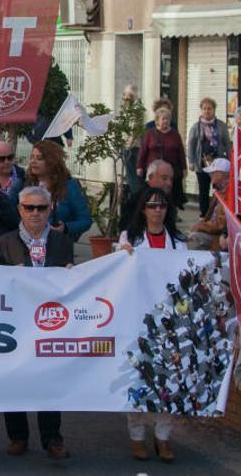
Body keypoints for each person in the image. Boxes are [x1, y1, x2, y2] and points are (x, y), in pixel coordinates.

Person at [0, 186, 73, 459]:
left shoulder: (63, 243)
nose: (36, 213)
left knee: (49, 381)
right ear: (19, 210)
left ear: (50, 210)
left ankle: (52, 438)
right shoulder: (4, 242)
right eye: (29, 207)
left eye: (41, 208)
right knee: (13, 379)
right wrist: (7, 277)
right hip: (15, 325)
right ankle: (18, 436)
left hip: (50, 323)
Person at [116, 186, 185, 462]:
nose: (157, 210)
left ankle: (163, 436)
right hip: (138, 317)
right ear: (142, 209)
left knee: (169, 378)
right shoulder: (129, 238)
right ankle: (136, 436)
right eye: (152, 205)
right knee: (138, 378)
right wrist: (123, 255)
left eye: (162, 206)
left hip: (169, 319)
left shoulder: (179, 242)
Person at [10, 140, 92, 242]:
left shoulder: (69, 186)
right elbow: (9, 215)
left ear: (52, 161)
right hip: (25, 245)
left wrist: (65, 228)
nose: (33, 161)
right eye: (32, 157)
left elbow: (85, 220)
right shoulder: (21, 185)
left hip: (57, 247)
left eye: (39, 158)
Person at [187, 97, 230, 218]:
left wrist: (229, 160)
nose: (207, 111)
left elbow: (227, 143)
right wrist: (191, 161)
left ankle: (219, 212)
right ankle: (204, 213)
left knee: (218, 188)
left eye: (209, 109)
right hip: (202, 163)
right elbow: (191, 144)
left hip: (218, 163)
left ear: (214, 110)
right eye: (204, 109)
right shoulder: (196, 127)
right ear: (201, 110)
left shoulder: (221, 125)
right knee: (203, 189)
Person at [136, 108, 186, 208]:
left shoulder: (175, 135)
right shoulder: (150, 134)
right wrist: (139, 166)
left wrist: (184, 168)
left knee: (169, 195)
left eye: (167, 119)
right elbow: (143, 151)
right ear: (157, 120)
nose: (165, 121)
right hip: (154, 170)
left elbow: (181, 152)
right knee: (153, 193)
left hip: (171, 170)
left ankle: (169, 215)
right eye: (163, 119)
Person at [119, 160, 174, 231]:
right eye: (164, 178)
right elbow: (126, 229)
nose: (169, 183)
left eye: (171, 179)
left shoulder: (169, 199)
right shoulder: (136, 200)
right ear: (150, 178)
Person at [188, 158, 230, 250]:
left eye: (213, 172)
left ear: (221, 174)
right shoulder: (220, 190)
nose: (210, 175)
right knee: (189, 237)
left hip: (219, 235)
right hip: (216, 232)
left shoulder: (229, 193)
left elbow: (220, 225)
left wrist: (200, 226)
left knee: (194, 239)